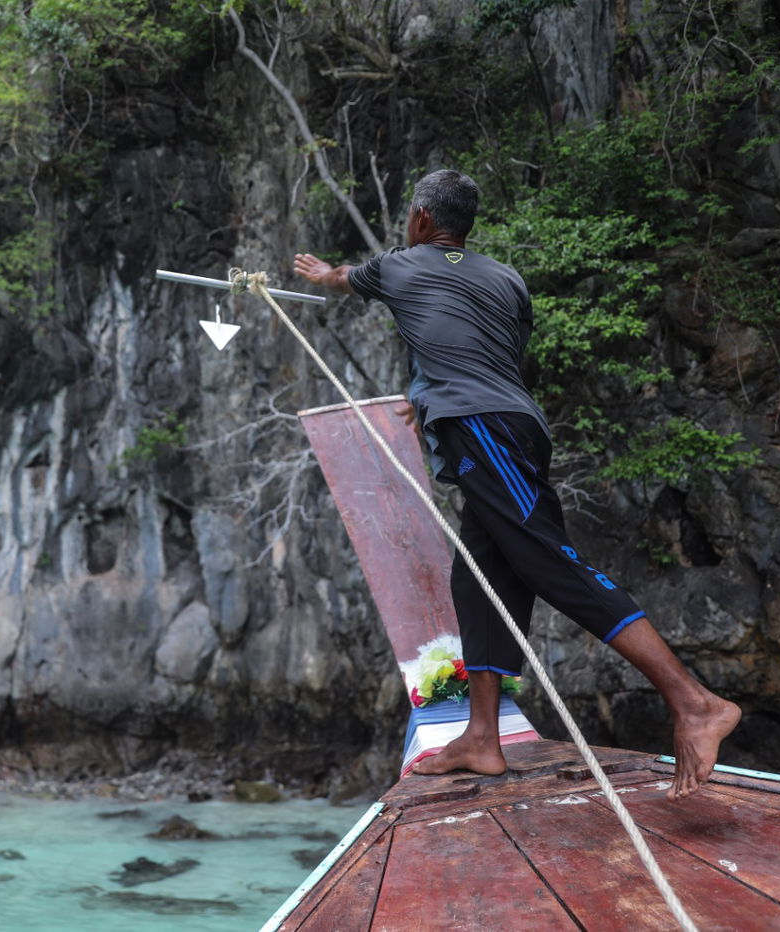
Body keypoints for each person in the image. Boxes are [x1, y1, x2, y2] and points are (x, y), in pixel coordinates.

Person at [293, 169, 740, 801]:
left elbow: (343, 281)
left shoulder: (398, 267)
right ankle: (482, 739)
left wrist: (323, 275)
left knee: (548, 562)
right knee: (479, 575)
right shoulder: (507, 279)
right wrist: (428, 399)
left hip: (485, 431)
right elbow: (490, 356)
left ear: (421, 217)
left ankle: (693, 703)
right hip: (514, 423)